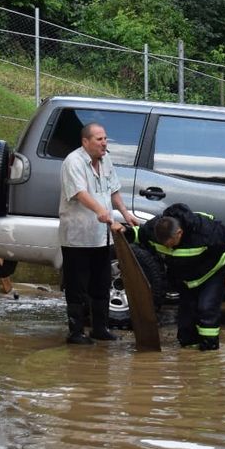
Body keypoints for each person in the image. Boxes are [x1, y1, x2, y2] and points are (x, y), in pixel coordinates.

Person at [58, 123, 138, 344]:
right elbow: (80, 193)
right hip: (77, 236)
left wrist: (125, 213)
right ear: (86, 142)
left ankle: (100, 329)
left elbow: (113, 189)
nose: (104, 143)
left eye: (105, 139)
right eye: (99, 139)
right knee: (77, 286)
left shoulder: (106, 160)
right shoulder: (73, 162)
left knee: (101, 284)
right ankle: (75, 333)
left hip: (101, 236)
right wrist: (101, 211)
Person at [148, 203, 225, 350]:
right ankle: (189, 360)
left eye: (170, 244)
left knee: (206, 308)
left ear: (179, 233)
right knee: (186, 321)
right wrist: (123, 231)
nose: (169, 248)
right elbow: (136, 234)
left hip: (213, 271)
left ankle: (209, 354)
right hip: (187, 277)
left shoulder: (205, 229)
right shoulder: (154, 229)